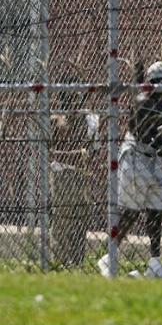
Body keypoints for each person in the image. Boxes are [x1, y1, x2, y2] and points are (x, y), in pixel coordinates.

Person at [99, 60, 162, 278]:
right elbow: (144, 133)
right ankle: (108, 257)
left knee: (155, 212)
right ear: (160, 83)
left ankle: (154, 262)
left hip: (156, 161)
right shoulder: (142, 101)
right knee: (131, 211)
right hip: (137, 159)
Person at [49, 95, 99, 268]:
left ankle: (77, 261)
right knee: (62, 219)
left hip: (83, 175)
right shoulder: (56, 120)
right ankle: (59, 261)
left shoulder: (89, 120)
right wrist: (78, 155)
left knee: (81, 219)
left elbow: (92, 151)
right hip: (62, 175)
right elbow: (51, 153)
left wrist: (81, 156)